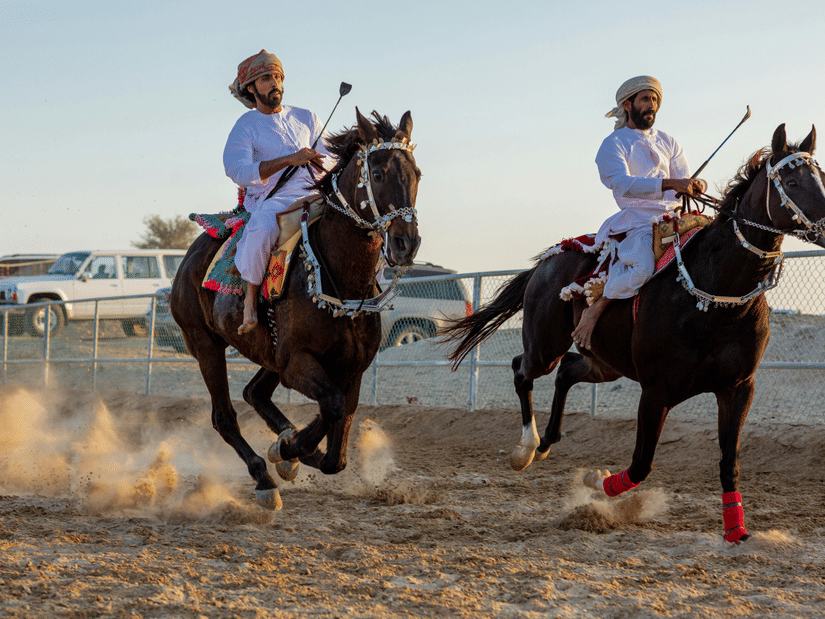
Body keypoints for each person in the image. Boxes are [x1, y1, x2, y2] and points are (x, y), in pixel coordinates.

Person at [571, 75, 707, 350]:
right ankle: (596, 309)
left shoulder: (669, 141)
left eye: (655, 99)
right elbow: (621, 184)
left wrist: (695, 185)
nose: (652, 105)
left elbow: (684, 179)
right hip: (638, 222)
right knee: (643, 267)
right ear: (627, 104)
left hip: (676, 219)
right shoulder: (614, 143)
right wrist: (671, 183)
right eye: (645, 99)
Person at [224, 49, 332, 335]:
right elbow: (237, 170)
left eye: (278, 77)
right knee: (263, 226)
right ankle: (249, 301)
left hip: (317, 189)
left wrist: (321, 160)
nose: (276, 84)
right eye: (267, 79)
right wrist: (288, 159)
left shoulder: (307, 117)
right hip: (273, 199)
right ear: (251, 88)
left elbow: (331, 156)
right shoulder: (245, 126)